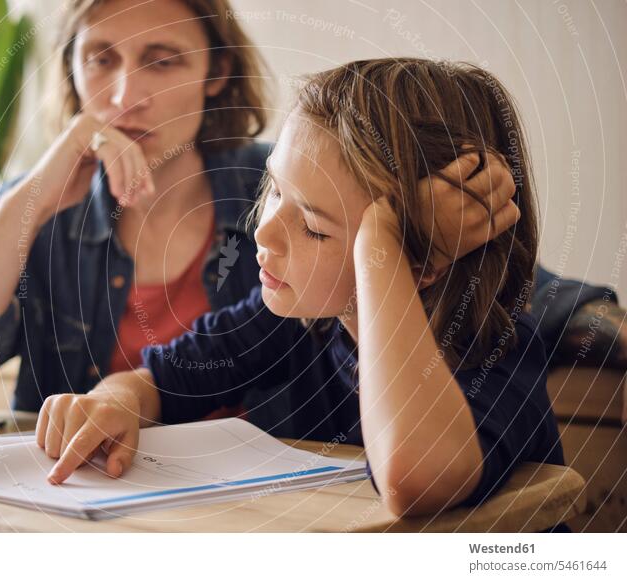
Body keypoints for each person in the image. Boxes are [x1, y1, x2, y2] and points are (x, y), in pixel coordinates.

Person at [0, 1, 517, 425]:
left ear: (217, 71)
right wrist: (32, 203)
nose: (125, 96)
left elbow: (498, 293)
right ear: (71, 70)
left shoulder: (284, 189)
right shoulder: (37, 211)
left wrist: (427, 221)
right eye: (101, 58)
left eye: (162, 60)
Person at [35, 58, 566, 520]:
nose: (263, 232)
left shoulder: (498, 355)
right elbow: (163, 378)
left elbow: (413, 480)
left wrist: (387, 244)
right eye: (275, 190)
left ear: (421, 261)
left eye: (313, 225)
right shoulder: (296, 322)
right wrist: (111, 401)